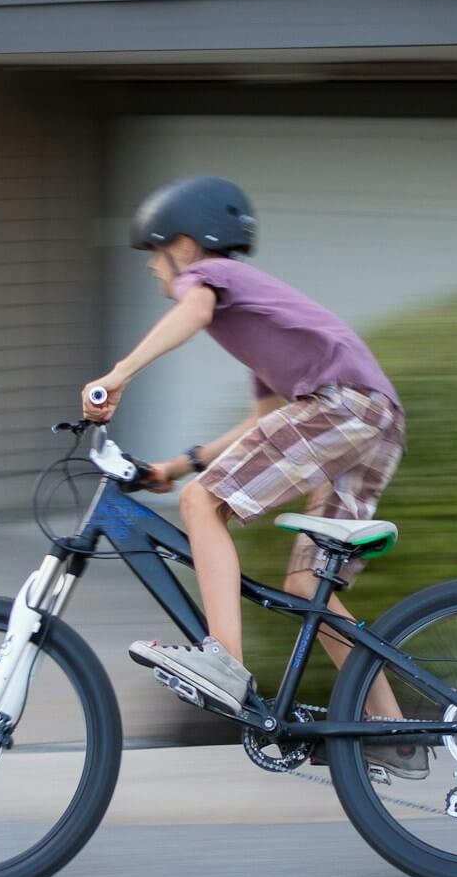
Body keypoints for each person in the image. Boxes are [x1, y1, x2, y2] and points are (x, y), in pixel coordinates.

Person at [82, 175, 424, 778]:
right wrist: (177, 465)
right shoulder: (254, 315)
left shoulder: (214, 282)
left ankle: (224, 661)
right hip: (375, 418)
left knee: (202, 505)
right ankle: (392, 734)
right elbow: (264, 422)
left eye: (153, 254)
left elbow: (195, 307)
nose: (152, 270)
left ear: (185, 247)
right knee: (307, 586)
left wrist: (118, 375)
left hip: (345, 406)